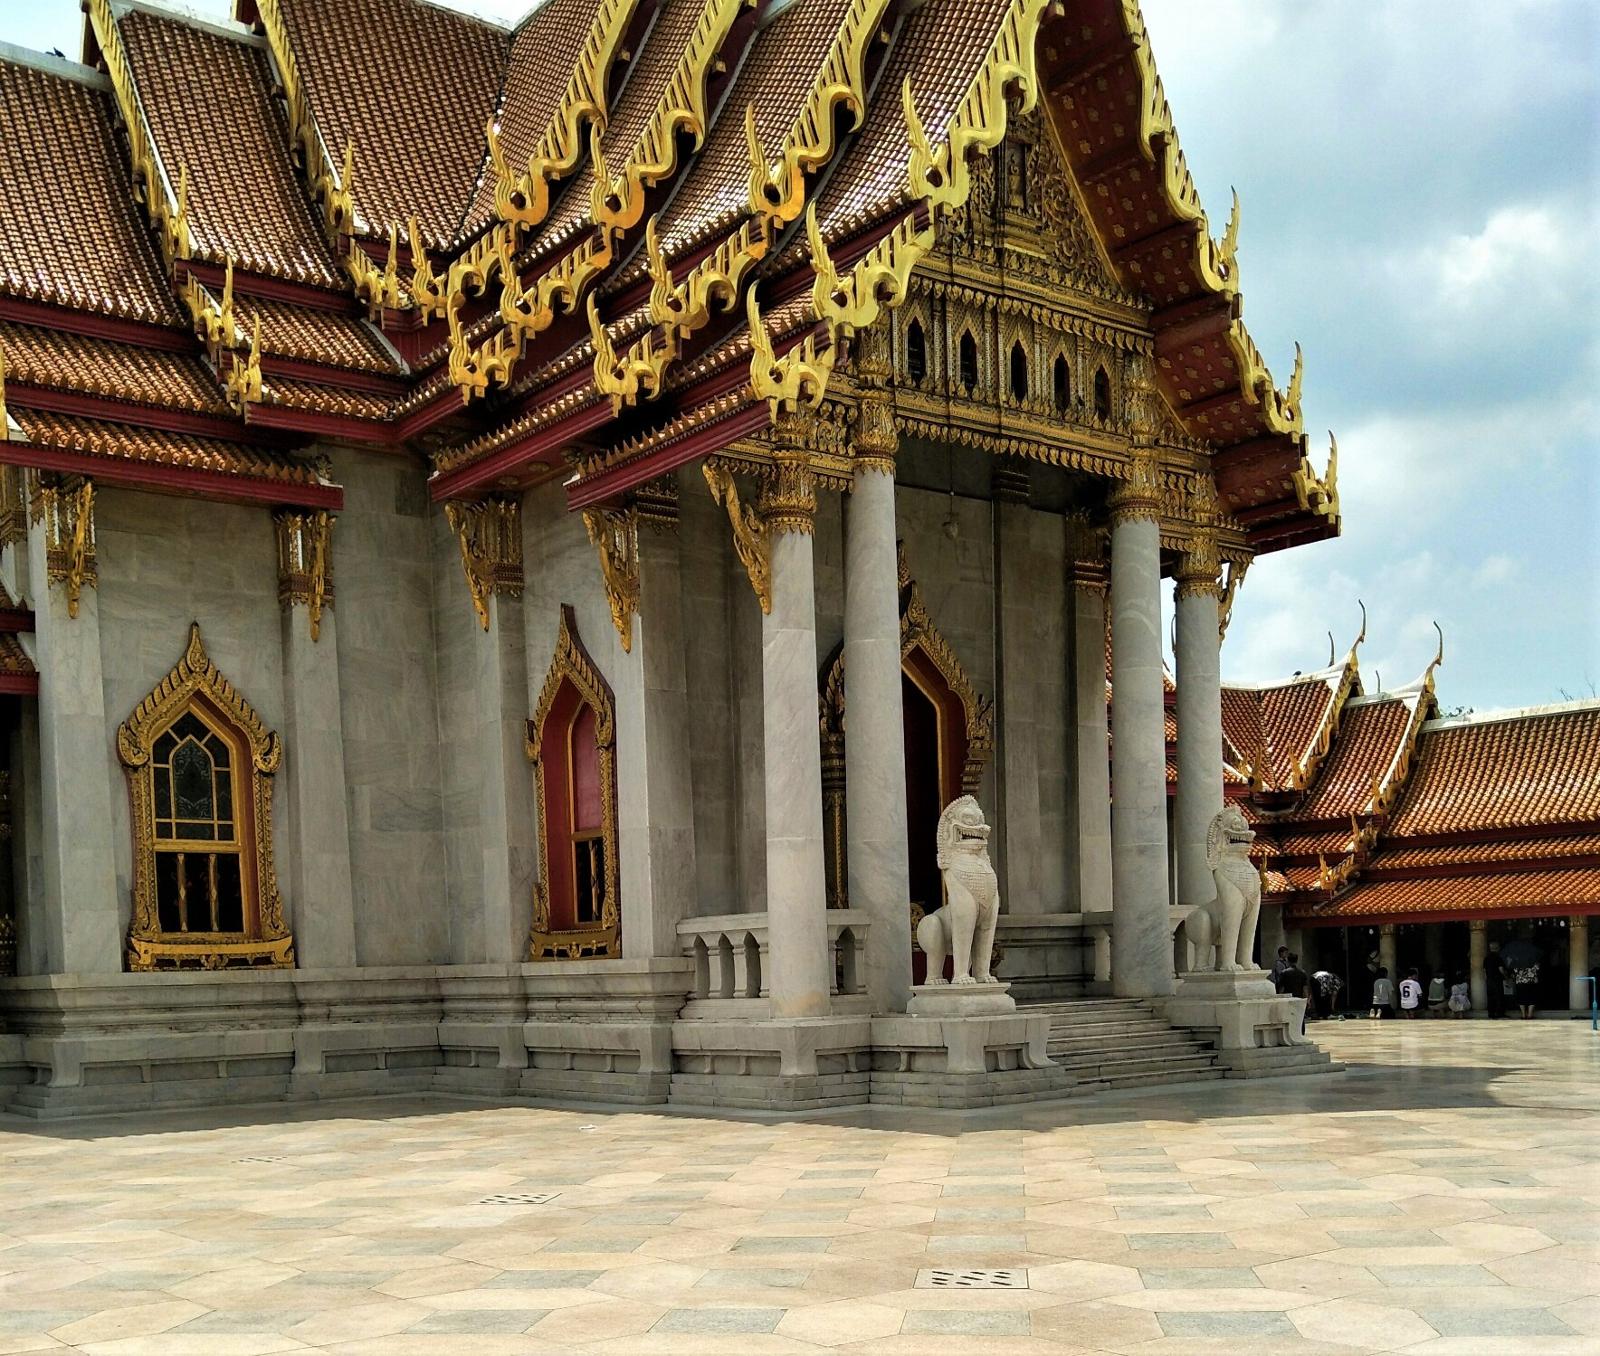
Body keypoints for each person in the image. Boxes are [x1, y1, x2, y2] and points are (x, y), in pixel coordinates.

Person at [1277, 952, 1310, 1034]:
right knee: (1300, 1017)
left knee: (1288, 1017)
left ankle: (1290, 1033)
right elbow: (1305, 988)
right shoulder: (1302, 973)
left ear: (1288, 961)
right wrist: (1307, 1000)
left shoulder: (1284, 973)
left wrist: (1279, 998)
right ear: (1297, 961)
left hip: (1288, 998)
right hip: (1299, 997)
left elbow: (1281, 988)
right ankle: (1301, 1033)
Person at [1485, 941, 1506, 1019]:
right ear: (1498, 948)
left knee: (1490, 997)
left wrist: (1487, 979)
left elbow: (1484, 971)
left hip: (1489, 980)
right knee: (1499, 996)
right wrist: (1506, 976)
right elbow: (1501, 969)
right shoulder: (1498, 958)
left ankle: (1491, 1014)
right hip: (1497, 980)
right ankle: (1499, 1013)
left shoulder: (1486, 958)